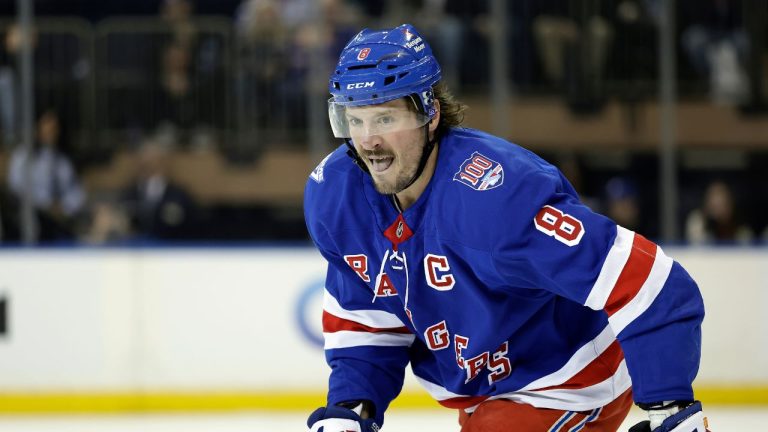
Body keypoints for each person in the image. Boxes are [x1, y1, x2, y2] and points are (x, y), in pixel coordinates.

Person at [303, 24, 709, 432]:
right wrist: (353, 407)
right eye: (354, 119)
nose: (368, 141)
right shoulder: (338, 197)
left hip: (569, 378)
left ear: (431, 113)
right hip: (486, 394)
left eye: (385, 117)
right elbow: (368, 317)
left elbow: (651, 281)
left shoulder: (499, 197)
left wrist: (669, 406)